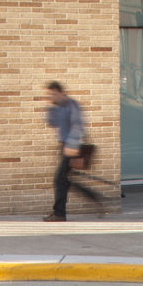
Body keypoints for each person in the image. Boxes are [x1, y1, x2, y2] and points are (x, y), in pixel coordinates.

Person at [42, 80, 103, 221]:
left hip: (71, 147)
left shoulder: (72, 105)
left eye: (54, 94)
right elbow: (52, 123)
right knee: (66, 180)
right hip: (63, 146)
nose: (52, 97)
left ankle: (59, 213)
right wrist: (51, 107)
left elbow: (77, 125)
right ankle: (94, 197)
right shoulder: (58, 106)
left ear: (61, 92)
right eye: (50, 94)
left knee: (60, 180)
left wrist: (72, 146)